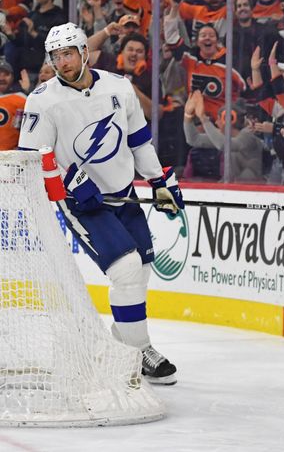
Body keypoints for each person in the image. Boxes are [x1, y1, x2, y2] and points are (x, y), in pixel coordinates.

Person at [17, 22, 183, 385]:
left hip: (123, 195)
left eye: (68, 54)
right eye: (55, 56)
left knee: (140, 272)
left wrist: (158, 180)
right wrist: (70, 182)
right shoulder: (43, 99)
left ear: (84, 52)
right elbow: (33, 157)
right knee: (124, 269)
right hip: (83, 205)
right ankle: (143, 353)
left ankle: (121, 347)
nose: (62, 62)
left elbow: (138, 142)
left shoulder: (119, 87)